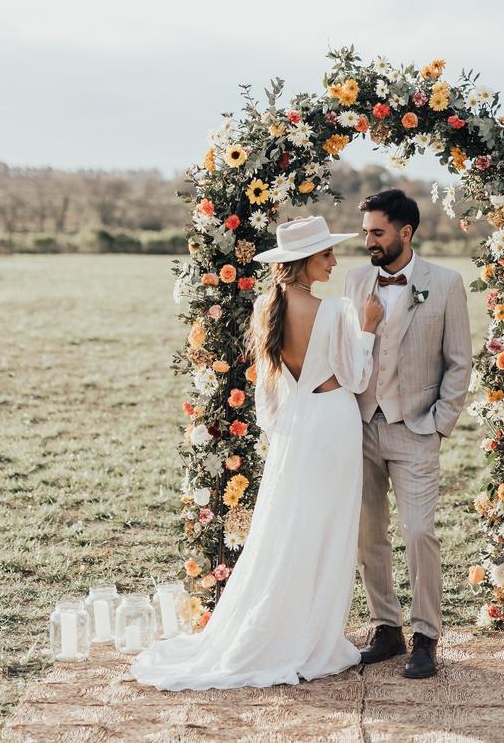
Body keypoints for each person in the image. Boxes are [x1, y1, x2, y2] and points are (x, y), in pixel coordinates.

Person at [131, 215, 384, 690]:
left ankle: (284, 628)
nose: (334, 261)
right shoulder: (333, 312)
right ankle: (313, 638)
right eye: (327, 254)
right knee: (327, 530)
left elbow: (268, 397)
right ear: (305, 261)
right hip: (331, 423)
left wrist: (286, 430)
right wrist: (368, 328)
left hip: (297, 427)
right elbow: (355, 378)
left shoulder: (266, 308)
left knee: (289, 527)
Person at [346, 188, 472, 679]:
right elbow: (346, 351)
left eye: (377, 233)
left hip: (416, 428)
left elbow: (460, 362)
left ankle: (426, 636)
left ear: (405, 232)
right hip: (360, 427)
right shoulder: (356, 281)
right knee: (367, 534)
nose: (369, 242)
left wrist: (440, 424)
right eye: (365, 233)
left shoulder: (445, 284)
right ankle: (386, 628)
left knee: (419, 532)